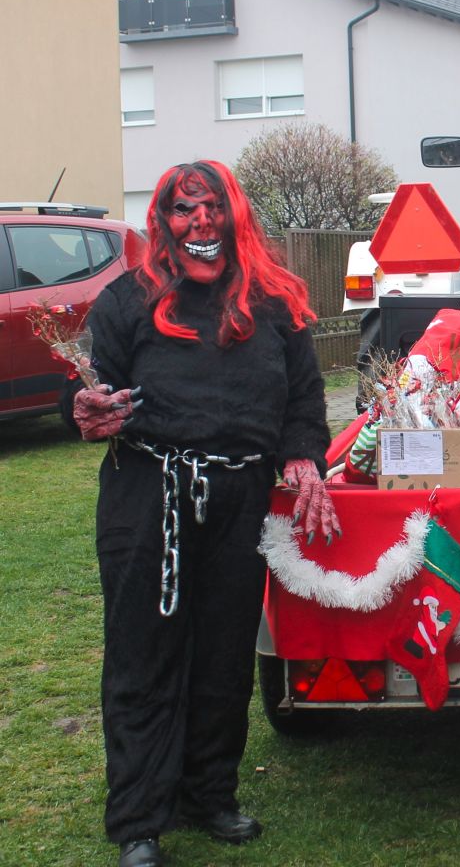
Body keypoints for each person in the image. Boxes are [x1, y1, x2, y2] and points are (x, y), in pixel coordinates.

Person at [73, 160, 341, 867]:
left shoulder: (276, 302)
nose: (201, 223)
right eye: (184, 211)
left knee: (224, 651)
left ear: (236, 217)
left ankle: (209, 794)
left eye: (213, 208)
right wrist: (91, 413)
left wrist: (303, 456)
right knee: (145, 653)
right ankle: (139, 819)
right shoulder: (127, 301)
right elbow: (98, 393)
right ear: (164, 223)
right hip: (147, 494)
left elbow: (304, 403)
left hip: (240, 496)